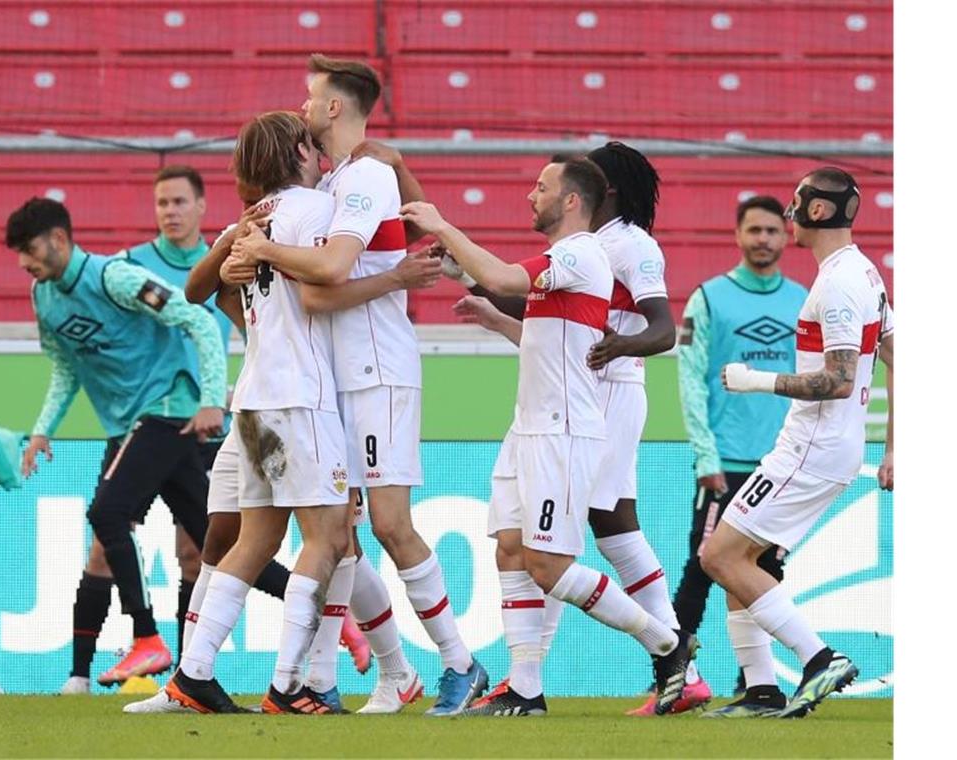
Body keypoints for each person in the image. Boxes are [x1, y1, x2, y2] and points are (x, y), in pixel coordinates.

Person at [231, 54, 486, 716]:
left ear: (335, 107)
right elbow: (320, 293)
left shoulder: (365, 175)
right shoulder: (348, 177)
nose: (305, 105)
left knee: (393, 525)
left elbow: (331, 278)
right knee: (339, 532)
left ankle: (460, 664)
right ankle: (343, 676)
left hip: (378, 372)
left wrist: (260, 251)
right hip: (336, 379)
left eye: (311, 96)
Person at [400, 157, 694, 717]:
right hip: (529, 428)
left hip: (562, 432)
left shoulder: (581, 253)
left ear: (572, 201)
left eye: (541, 187)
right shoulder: (570, 267)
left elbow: (507, 278)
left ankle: (667, 643)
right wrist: (492, 315)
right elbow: (543, 333)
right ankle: (526, 688)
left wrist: (442, 227)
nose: (529, 195)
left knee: (549, 565)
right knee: (510, 549)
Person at [150, 110, 354, 715]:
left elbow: (196, 289)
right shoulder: (313, 210)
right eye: (312, 146)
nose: (321, 154)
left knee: (258, 537)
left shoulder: (250, 222)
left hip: (257, 399)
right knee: (329, 536)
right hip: (300, 396)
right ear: (297, 150)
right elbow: (333, 275)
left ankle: (193, 673)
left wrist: (241, 263)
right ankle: (289, 686)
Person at [8, 197, 227, 692]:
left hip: (166, 415)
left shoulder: (117, 278)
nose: (24, 262)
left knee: (112, 519)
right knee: (216, 544)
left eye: (29, 249)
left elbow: (199, 321)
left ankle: (148, 640)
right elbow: (66, 367)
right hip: (128, 427)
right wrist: (43, 428)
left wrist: (211, 399)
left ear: (59, 239)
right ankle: (87, 675)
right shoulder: (43, 297)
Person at [701, 166, 894, 719]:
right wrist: (892, 448)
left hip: (809, 446)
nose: (788, 214)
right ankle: (763, 691)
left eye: (795, 202)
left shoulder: (835, 285)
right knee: (743, 559)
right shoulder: (865, 273)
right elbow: (896, 355)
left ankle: (818, 658)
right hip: (831, 447)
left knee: (718, 555)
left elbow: (835, 380)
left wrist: (757, 380)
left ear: (815, 211)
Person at [671, 195, 808, 715]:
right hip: (724, 463)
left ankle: (753, 680)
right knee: (702, 568)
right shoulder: (709, 299)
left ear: (784, 235)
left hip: (782, 463)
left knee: (766, 571)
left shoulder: (803, 301)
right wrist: (705, 455)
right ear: (738, 234)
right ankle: (674, 674)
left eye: (773, 231)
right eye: (755, 230)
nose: (764, 240)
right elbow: (689, 380)